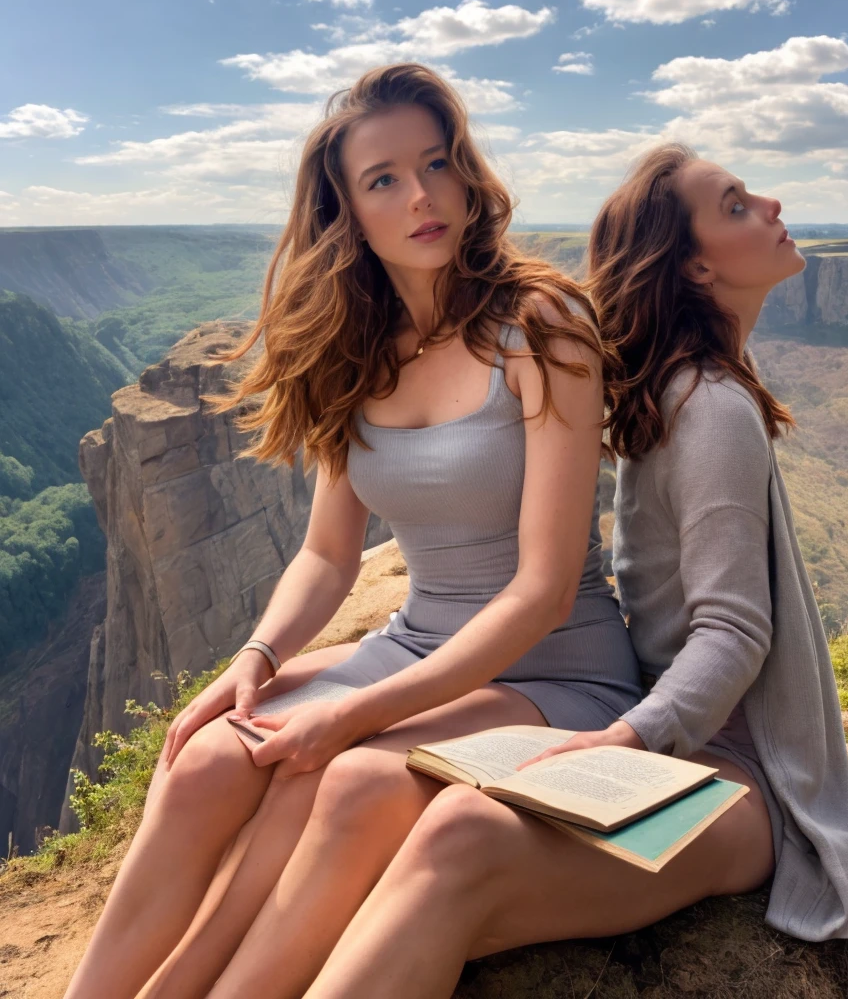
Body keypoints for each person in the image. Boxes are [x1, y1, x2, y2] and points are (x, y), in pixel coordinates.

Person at [62, 63, 641, 999]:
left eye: (439, 164)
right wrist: (257, 654)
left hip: (551, 668)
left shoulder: (543, 326)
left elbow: (540, 591)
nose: (422, 196)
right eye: (384, 179)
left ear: (467, 176)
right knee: (209, 755)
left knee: (323, 771)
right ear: (347, 212)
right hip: (413, 643)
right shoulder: (356, 350)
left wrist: (352, 712)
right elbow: (329, 557)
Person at [299, 143, 848, 999]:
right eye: (737, 204)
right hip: (689, 752)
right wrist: (622, 740)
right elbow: (733, 629)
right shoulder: (705, 401)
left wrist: (618, 741)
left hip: (745, 787)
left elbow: (733, 634)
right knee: (439, 857)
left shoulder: (694, 398)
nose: (772, 203)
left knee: (458, 838)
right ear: (694, 265)